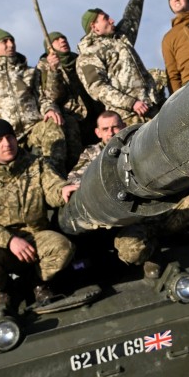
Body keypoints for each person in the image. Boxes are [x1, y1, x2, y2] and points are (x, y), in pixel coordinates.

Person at [0, 119, 78, 309]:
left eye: (9, 137)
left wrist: (62, 191)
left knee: (62, 247)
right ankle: (4, 290)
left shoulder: (36, 165)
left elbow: (52, 186)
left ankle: (38, 283)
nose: (6, 144)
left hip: (34, 238)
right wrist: (9, 240)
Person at [68, 110, 158, 278]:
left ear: (124, 126)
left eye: (115, 127)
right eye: (106, 129)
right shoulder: (90, 154)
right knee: (132, 250)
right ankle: (150, 253)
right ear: (98, 132)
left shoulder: (138, 147)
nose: (111, 132)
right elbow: (75, 177)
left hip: (152, 209)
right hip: (121, 219)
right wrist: (73, 185)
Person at [0, 28, 67, 173]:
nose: (11, 44)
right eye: (4, 41)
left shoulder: (30, 72)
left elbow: (44, 98)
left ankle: (55, 174)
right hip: (6, 138)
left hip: (33, 129)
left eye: (12, 40)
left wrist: (49, 109)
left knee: (53, 125)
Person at [76, 0, 163, 126]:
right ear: (94, 27)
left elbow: (132, 14)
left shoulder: (120, 38)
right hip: (128, 117)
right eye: (105, 18)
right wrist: (131, 103)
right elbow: (98, 88)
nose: (112, 20)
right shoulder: (88, 55)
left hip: (152, 107)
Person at [37, 31, 99, 170]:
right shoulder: (43, 67)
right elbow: (52, 96)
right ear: (49, 48)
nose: (62, 41)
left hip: (95, 113)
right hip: (73, 118)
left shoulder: (80, 59)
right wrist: (54, 70)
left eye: (63, 37)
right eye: (56, 40)